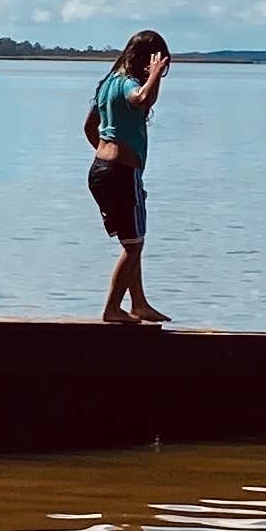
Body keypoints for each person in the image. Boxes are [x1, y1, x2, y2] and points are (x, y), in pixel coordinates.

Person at [83, 27, 172, 325]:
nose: (161, 72)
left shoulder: (106, 83)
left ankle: (139, 304)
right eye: (160, 64)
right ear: (145, 61)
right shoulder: (127, 84)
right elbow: (141, 98)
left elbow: (88, 127)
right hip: (120, 173)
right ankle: (112, 308)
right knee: (134, 246)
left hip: (100, 172)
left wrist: (108, 157)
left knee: (132, 241)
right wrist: (154, 76)